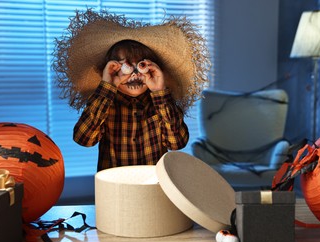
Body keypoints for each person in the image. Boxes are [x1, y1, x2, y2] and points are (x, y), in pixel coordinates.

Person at [53, 8, 210, 171]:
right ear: (110, 71)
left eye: (142, 66)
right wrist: (107, 86)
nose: (134, 74)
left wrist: (159, 92)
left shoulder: (162, 105)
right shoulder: (105, 106)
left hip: (154, 188)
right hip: (115, 190)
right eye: (125, 67)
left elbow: (177, 143)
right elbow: (83, 139)